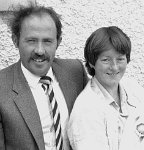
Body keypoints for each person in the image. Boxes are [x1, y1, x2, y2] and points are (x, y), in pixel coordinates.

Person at [0, 4, 88, 150]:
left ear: (58, 42)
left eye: (47, 41)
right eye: (31, 41)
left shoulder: (75, 71)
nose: (40, 50)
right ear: (15, 40)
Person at [67, 26, 144, 150]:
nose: (115, 67)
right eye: (106, 60)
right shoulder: (85, 111)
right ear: (91, 62)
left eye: (120, 59)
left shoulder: (134, 89)